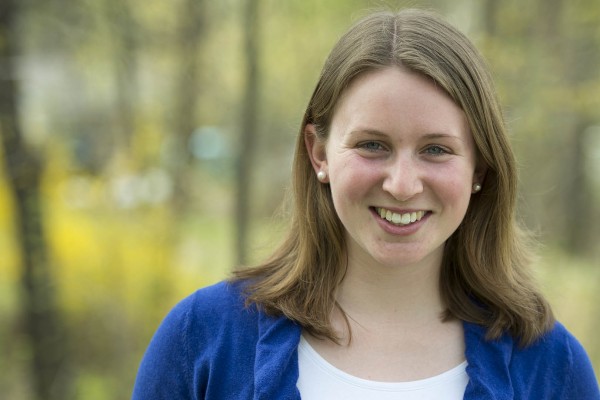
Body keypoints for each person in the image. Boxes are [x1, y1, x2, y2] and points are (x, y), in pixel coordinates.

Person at [132, 8, 600, 399]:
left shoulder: (551, 369)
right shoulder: (203, 339)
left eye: (436, 149)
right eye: (373, 145)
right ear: (319, 153)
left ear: (478, 168)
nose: (401, 185)